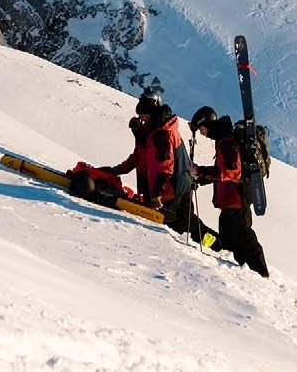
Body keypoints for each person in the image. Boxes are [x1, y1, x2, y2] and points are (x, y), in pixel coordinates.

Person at [105, 89, 212, 243]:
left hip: (172, 191)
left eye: (143, 113)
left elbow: (165, 167)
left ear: (151, 113)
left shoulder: (162, 133)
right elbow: (138, 158)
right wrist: (114, 171)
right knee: (185, 225)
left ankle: (218, 246)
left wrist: (157, 194)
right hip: (172, 189)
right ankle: (216, 245)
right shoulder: (152, 132)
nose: (140, 117)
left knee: (182, 226)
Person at [188, 105, 270, 277]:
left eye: (201, 128)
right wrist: (201, 178)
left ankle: (261, 274)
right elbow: (222, 171)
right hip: (230, 202)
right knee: (229, 241)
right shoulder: (222, 140)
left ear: (206, 124)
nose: (201, 133)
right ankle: (247, 272)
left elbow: (231, 172)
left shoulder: (226, 142)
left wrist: (201, 172)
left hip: (237, 200)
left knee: (244, 238)